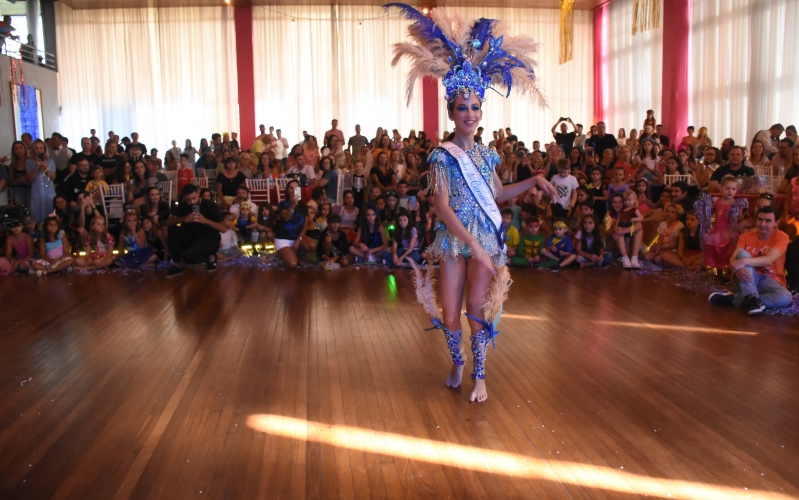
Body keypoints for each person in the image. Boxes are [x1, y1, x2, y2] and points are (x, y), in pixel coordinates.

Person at [390, 3, 556, 402]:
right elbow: (441, 208)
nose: (469, 113)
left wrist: (533, 180)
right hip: (455, 240)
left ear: (482, 111)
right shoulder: (441, 156)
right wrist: (474, 246)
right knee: (450, 314)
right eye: (462, 107)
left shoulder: (486, 155)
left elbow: (497, 195)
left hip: (484, 237)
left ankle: (480, 375)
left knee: (476, 311)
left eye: (475, 107)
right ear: (452, 112)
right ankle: (457, 361)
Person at [709, 206, 791, 314]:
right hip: (747, 278)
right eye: (760, 219)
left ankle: (737, 299)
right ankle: (751, 298)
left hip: (771, 280)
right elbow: (733, 260)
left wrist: (743, 261)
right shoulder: (745, 236)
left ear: (776, 223)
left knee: (786, 297)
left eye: (768, 221)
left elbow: (769, 259)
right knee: (743, 254)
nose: (763, 224)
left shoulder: (782, 237)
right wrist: (737, 269)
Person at [165, 184, 227, 277]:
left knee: (187, 257)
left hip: (209, 239)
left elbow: (224, 228)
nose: (192, 202)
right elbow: (169, 222)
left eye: (194, 198)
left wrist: (205, 220)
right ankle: (177, 265)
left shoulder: (210, 205)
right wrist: (184, 219)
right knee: (173, 229)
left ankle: (211, 257)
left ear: (198, 193)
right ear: (184, 197)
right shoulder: (183, 205)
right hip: (192, 238)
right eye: (188, 200)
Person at [26, 139, 57, 224]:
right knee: (37, 214)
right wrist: (36, 166)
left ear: (44, 149)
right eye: (36, 148)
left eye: (41, 148)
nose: (39, 150)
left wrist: (46, 167)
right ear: (33, 149)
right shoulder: (29, 162)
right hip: (37, 192)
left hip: (49, 192)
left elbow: (53, 178)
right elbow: (31, 179)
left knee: (50, 214)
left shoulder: (50, 161)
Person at [612, 190, 644, 269]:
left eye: (629, 200)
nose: (627, 202)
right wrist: (616, 227)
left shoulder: (634, 210)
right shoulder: (622, 211)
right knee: (619, 232)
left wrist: (635, 219)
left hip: (629, 228)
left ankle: (634, 257)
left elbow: (641, 219)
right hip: (621, 229)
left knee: (639, 230)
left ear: (634, 201)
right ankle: (625, 257)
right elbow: (618, 220)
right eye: (625, 200)